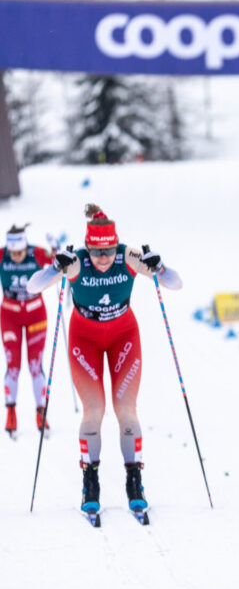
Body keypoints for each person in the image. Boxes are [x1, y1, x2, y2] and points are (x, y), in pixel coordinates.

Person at [28, 204, 182, 516]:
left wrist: (160, 267)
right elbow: (33, 287)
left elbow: (176, 283)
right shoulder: (76, 262)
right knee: (94, 410)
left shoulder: (128, 256)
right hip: (85, 340)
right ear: (88, 247)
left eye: (109, 250)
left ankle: (134, 479)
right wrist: (54, 269)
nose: (103, 259)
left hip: (124, 337)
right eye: (97, 252)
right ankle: (90, 479)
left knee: (126, 408)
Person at [1, 224, 57, 439]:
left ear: (25, 247)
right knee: (13, 365)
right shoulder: (2, 255)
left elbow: (58, 263)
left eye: (20, 253)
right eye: (13, 253)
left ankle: (41, 413)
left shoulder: (36, 253)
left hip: (35, 315)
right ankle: (11, 412)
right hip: (10, 316)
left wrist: (56, 250)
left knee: (35, 365)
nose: (16, 257)